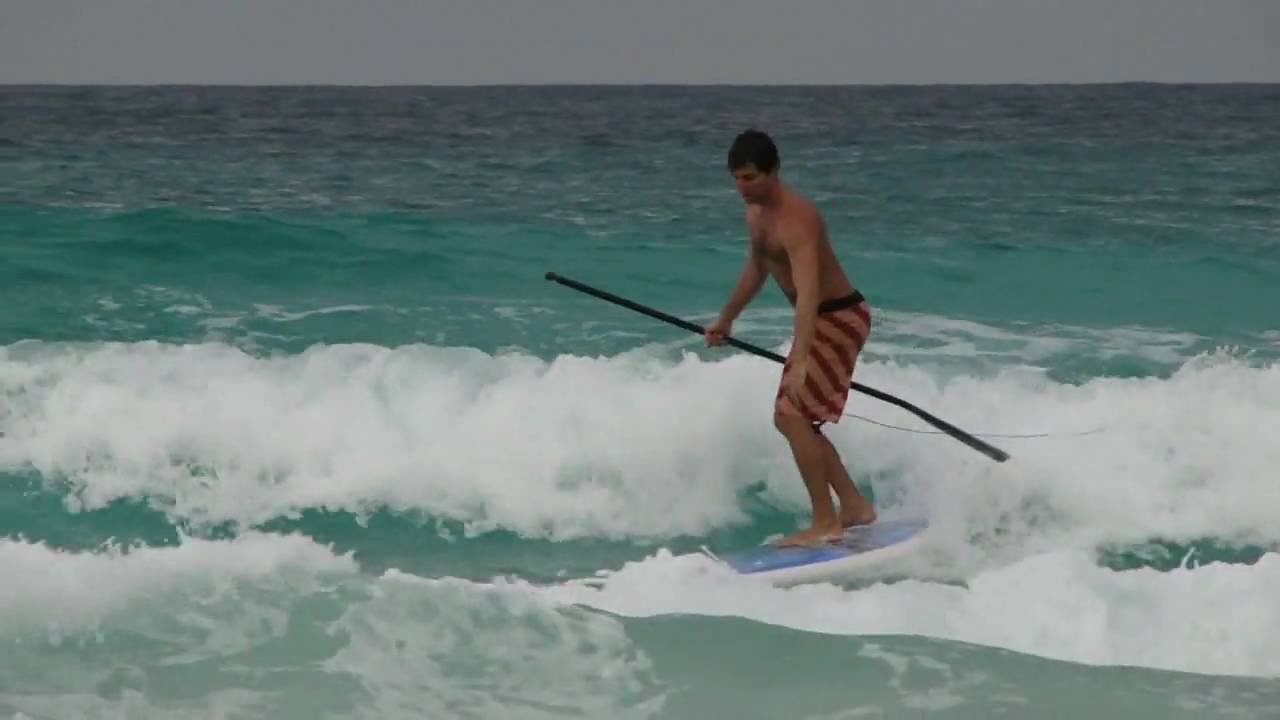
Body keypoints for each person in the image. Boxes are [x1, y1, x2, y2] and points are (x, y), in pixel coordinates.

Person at [705, 129, 876, 546]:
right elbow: (757, 269)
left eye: (751, 178)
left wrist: (800, 360)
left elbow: (809, 292)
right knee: (797, 420)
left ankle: (826, 523)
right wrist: (727, 319)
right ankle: (852, 505)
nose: (743, 188)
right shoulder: (756, 215)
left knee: (791, 415)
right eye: (737, 179)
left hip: (837, 318)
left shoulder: (799, 219)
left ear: (774, 171)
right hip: (819, 319)